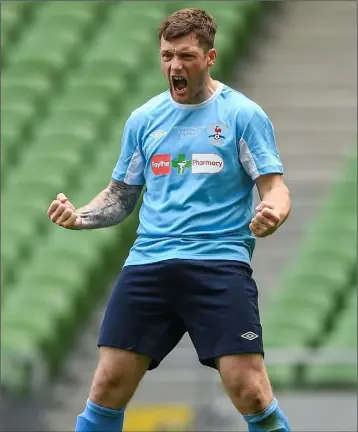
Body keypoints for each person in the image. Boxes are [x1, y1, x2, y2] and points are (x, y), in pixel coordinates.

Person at [47, 8, 291, 432]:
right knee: (107, 384)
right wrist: (79, 216)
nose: (174, 66)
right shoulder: (145, 119)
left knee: (249, 389)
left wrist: (274, 212)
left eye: (185, 56)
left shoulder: (242, 115)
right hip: (149, 262)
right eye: (166, 56)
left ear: (209, 58)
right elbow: (121, 195)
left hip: (218, 262)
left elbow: (274, 187)